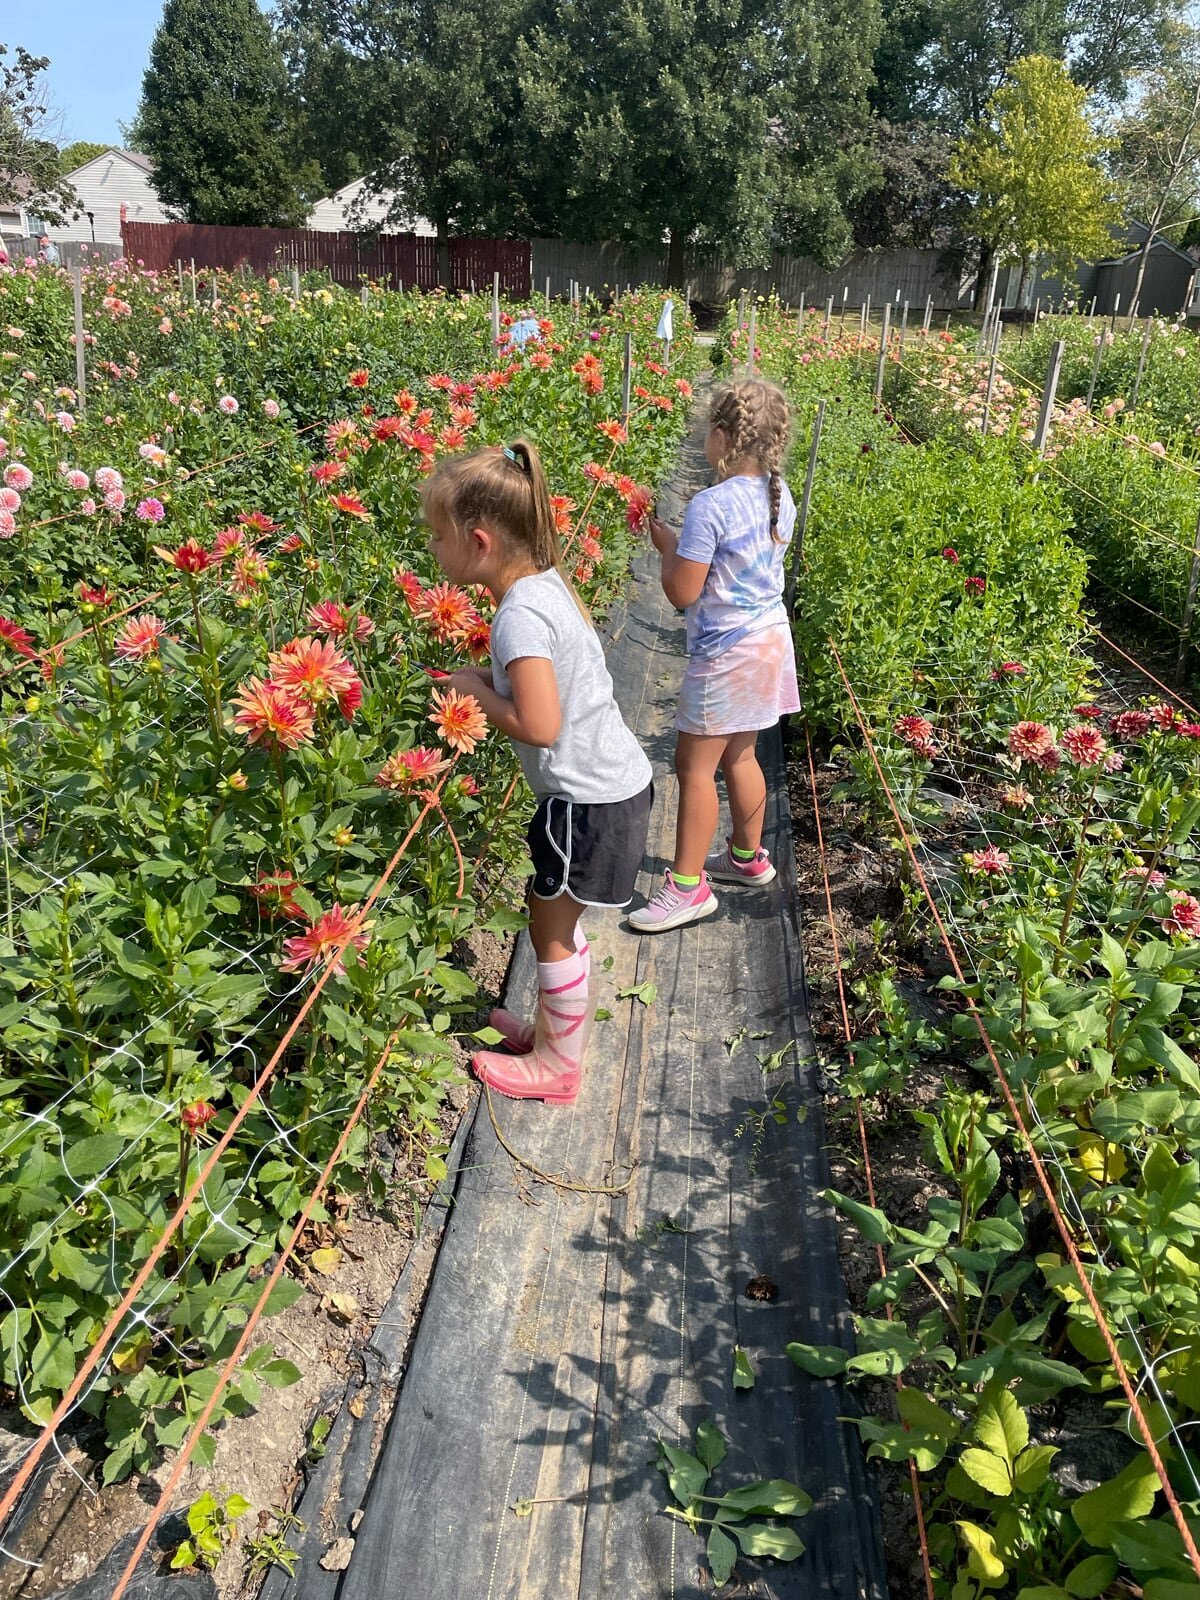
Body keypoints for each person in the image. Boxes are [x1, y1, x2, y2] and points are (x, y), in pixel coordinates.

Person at [422, 439, 653, 1104]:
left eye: (439, 538)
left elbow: (540, 724)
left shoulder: (517, 616)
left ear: (480, 541)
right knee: (554, 920)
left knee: (551, 930)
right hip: (612, 788)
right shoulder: (544, 584)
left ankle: (558, 1065)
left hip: (584, 803)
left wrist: (473, 690)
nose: (434, 552)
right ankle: (554, 1034)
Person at [629, 378, 799, 934]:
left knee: (693, 766)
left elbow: (683, 591)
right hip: (770, 640)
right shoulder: (780, 494)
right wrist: (683, 545)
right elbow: (736, 569)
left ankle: (687, 887)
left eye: (708, 430)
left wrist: (667, 553)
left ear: (723, 437)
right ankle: (749, 858)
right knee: (742, 755)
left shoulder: (710, 504)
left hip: (727, 652)